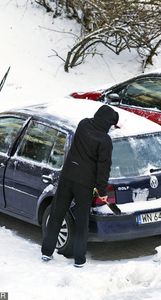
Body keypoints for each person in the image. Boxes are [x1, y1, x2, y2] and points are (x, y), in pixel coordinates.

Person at [41, 105, 119, 268]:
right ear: (107, 123)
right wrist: (102, 191)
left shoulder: (83, 124)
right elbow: (103, 167)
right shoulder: (105, 141)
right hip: (84, 184)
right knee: (82, 220)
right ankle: (79, 259)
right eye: (111, 125)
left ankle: (47, 252)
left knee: (57, 213)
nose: (111, 129)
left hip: (68, 176)